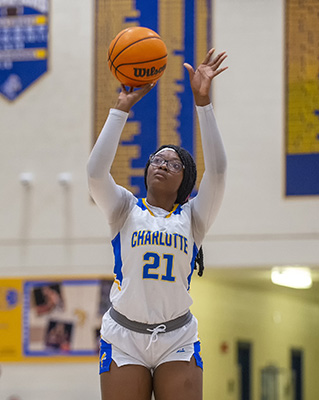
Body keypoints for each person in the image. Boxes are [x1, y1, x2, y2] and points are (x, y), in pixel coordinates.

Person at [87, 48, 228, 400]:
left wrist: (203, 103)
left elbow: (220, 171)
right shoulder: (124, 208)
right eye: (157, 159)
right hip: (123, 335)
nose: (162, 164)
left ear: (185, 182)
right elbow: (94, 174)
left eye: (174, 163)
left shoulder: (194, 217)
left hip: (176, 337)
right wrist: (120, 109)